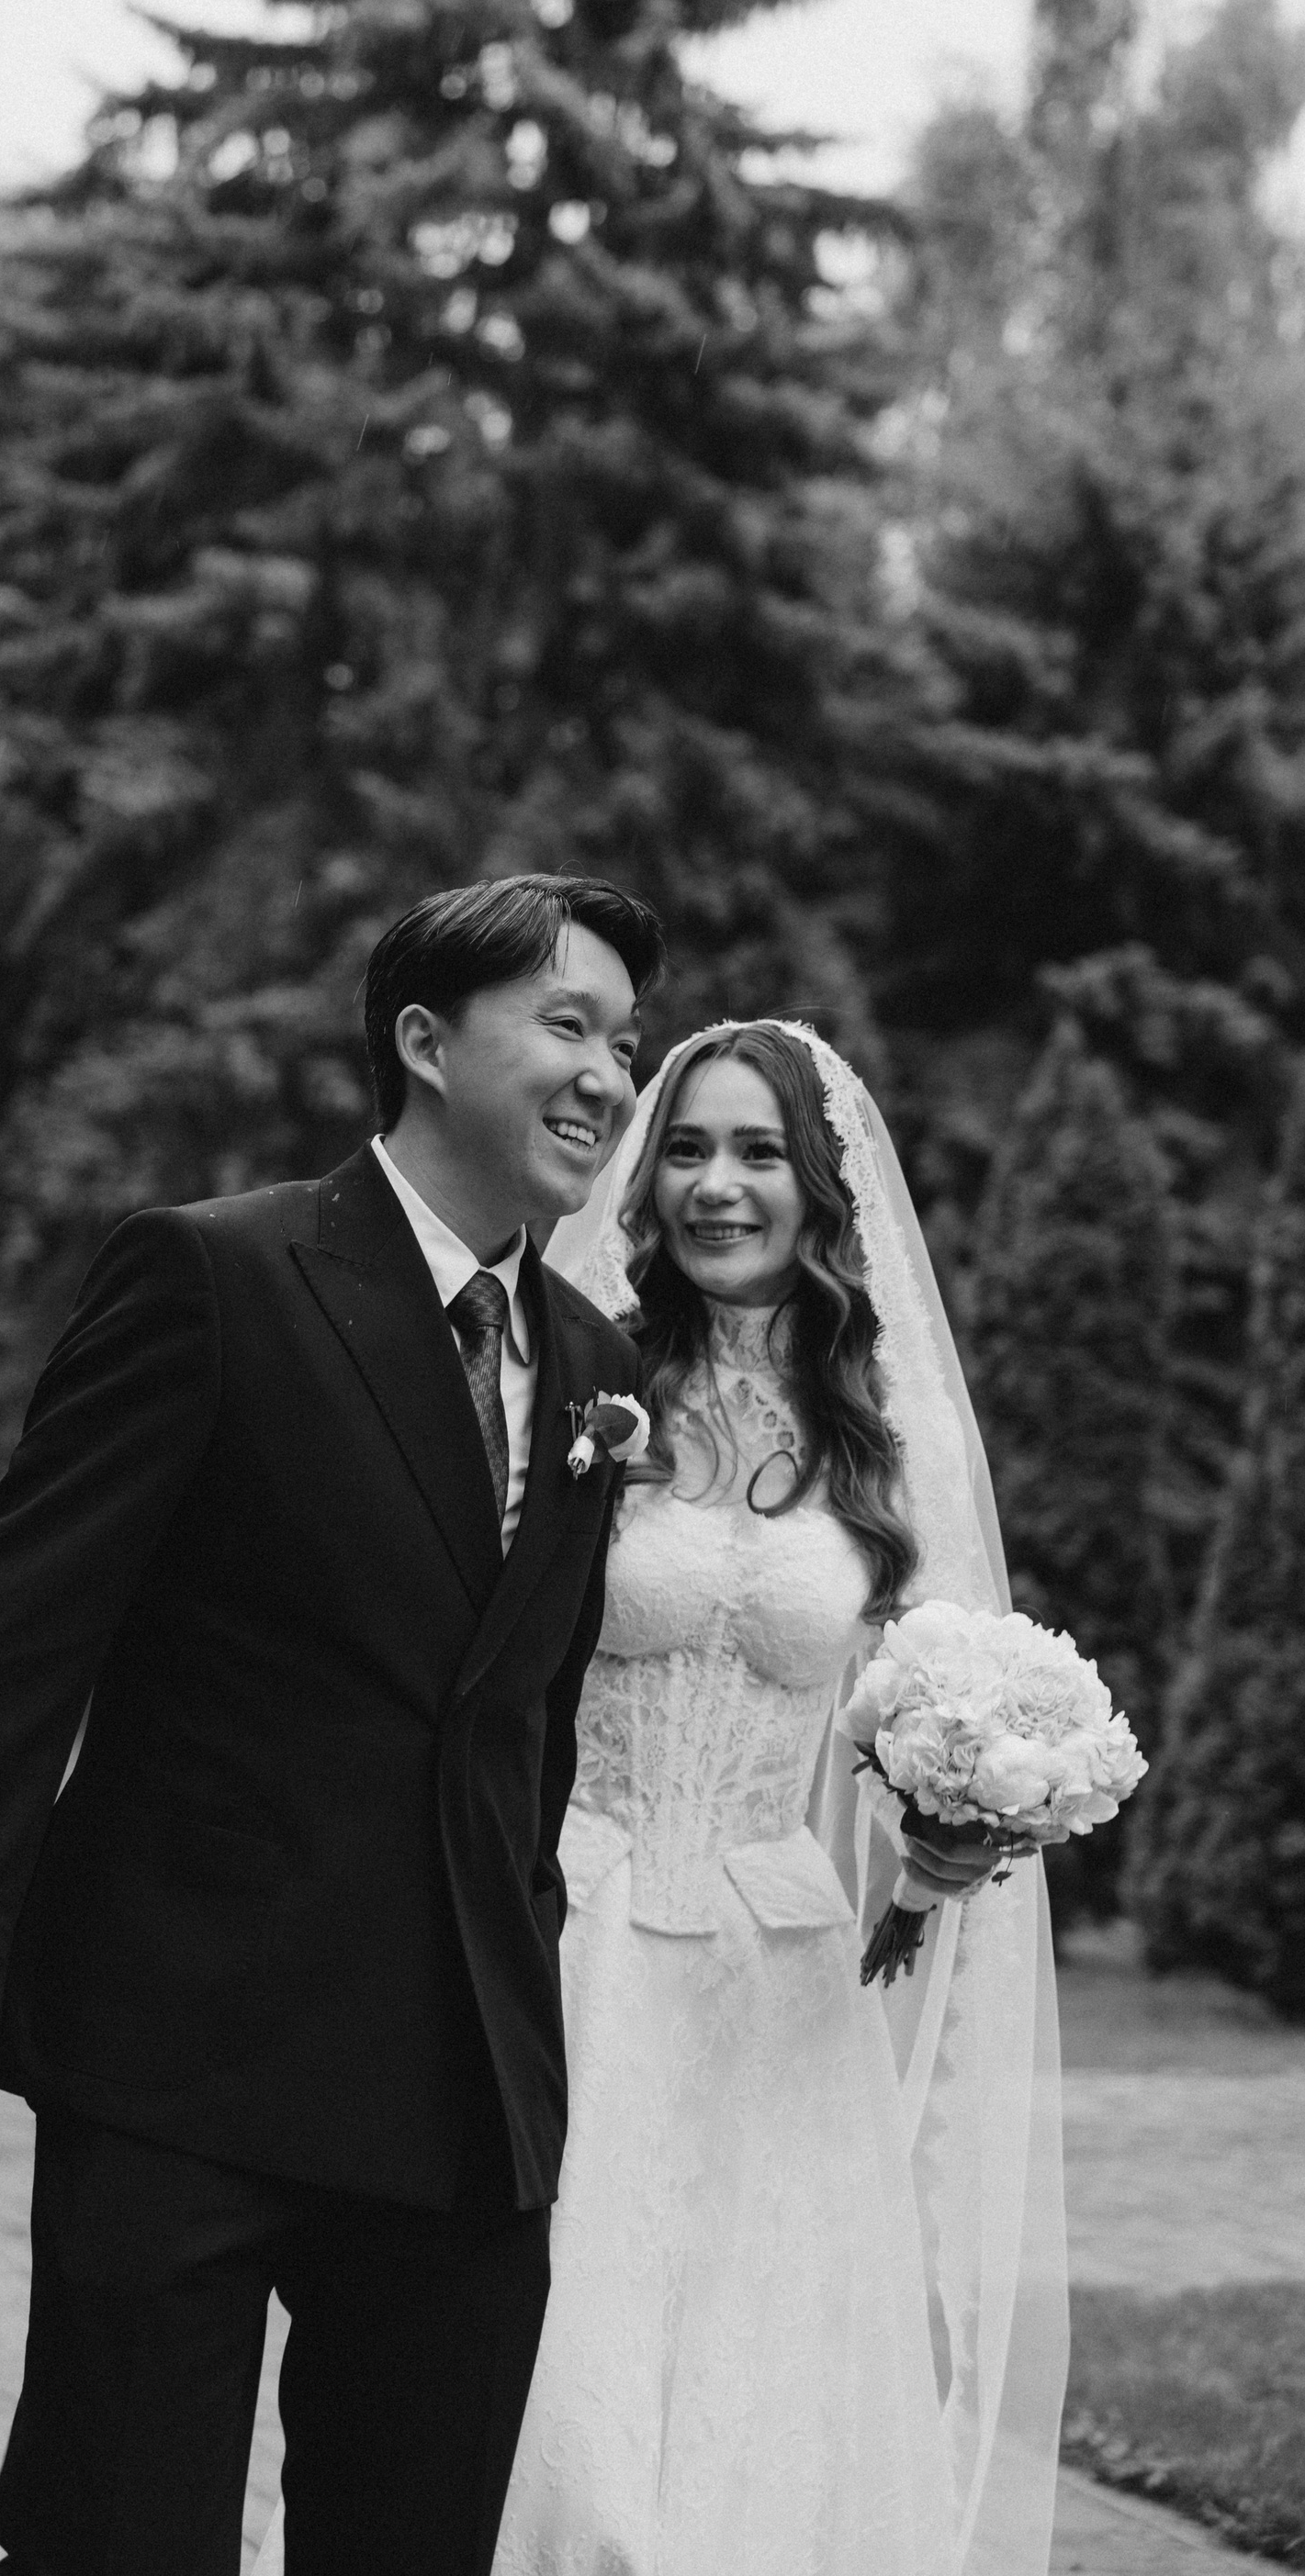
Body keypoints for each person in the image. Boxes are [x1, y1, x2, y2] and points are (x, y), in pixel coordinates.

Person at [0, 872, 667, 2576]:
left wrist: (527, 1976)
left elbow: (525, 1722)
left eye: (626, 1042)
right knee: (113, 2541)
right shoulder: (215, 1273)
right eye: (569, 1027)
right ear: (425, 1042)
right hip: (181, 2062)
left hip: (461, 2098)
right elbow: (17, 1647)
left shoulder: (599, 1362)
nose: (610, 1076)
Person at [487, 1019, 1069, 2576]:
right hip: (573, 1931)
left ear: (819, 1186)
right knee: (559, 2370)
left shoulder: (883, 1438)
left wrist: (957, 1827)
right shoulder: (579, 1382)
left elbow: (946, 1692)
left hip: (783, 1973)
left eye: (757, 1152)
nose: (716, 1186)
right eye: (686, 1149)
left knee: (765, 2389)